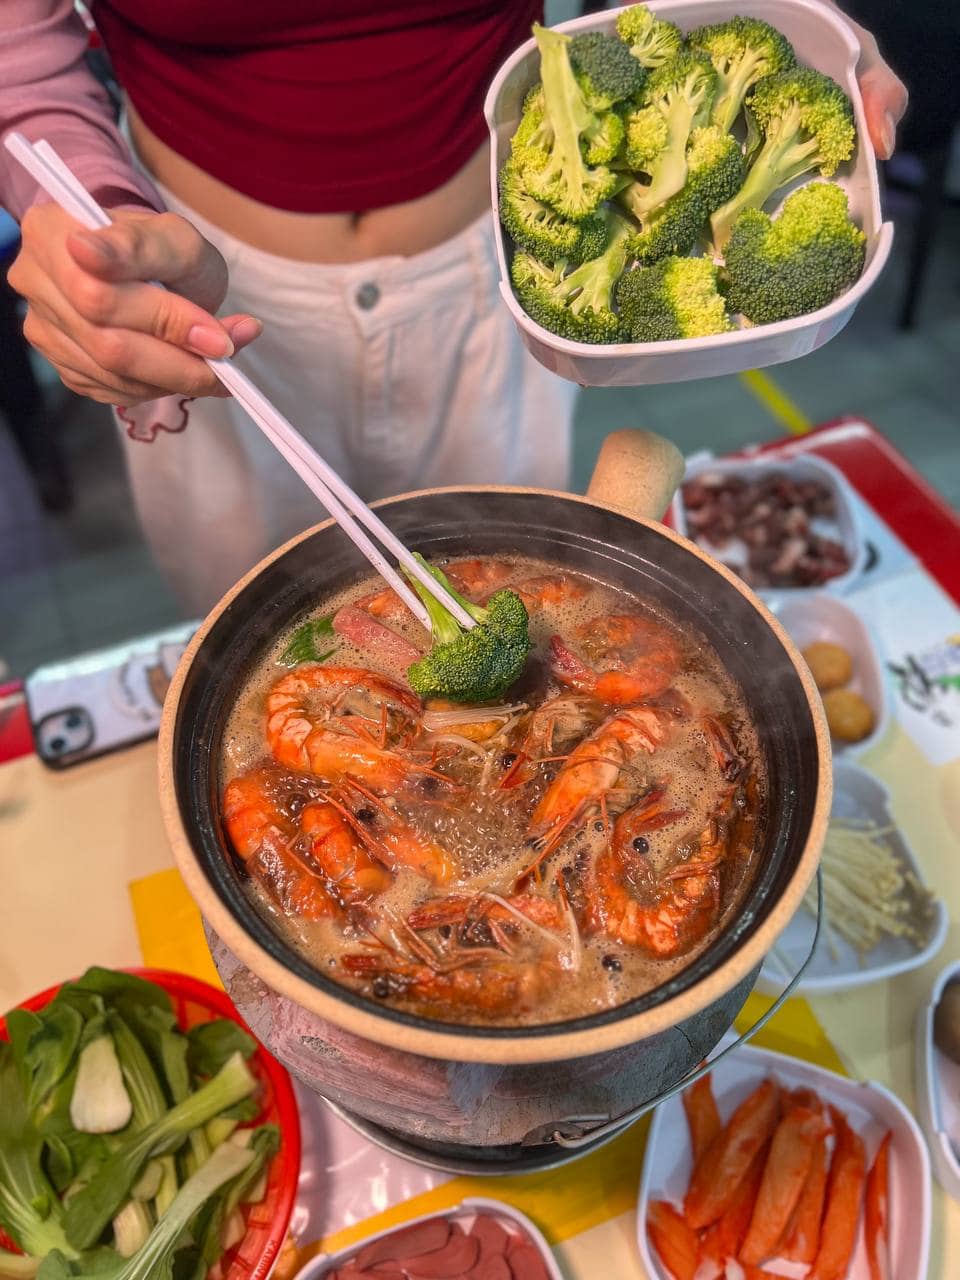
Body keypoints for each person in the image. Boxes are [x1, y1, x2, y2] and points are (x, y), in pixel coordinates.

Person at [1, 2, 907, 614]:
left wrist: (801, 25)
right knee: (263, 625)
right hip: (204, 297)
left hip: (497, 272)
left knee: (512, 598)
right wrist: (95, 216)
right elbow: (22, 63)